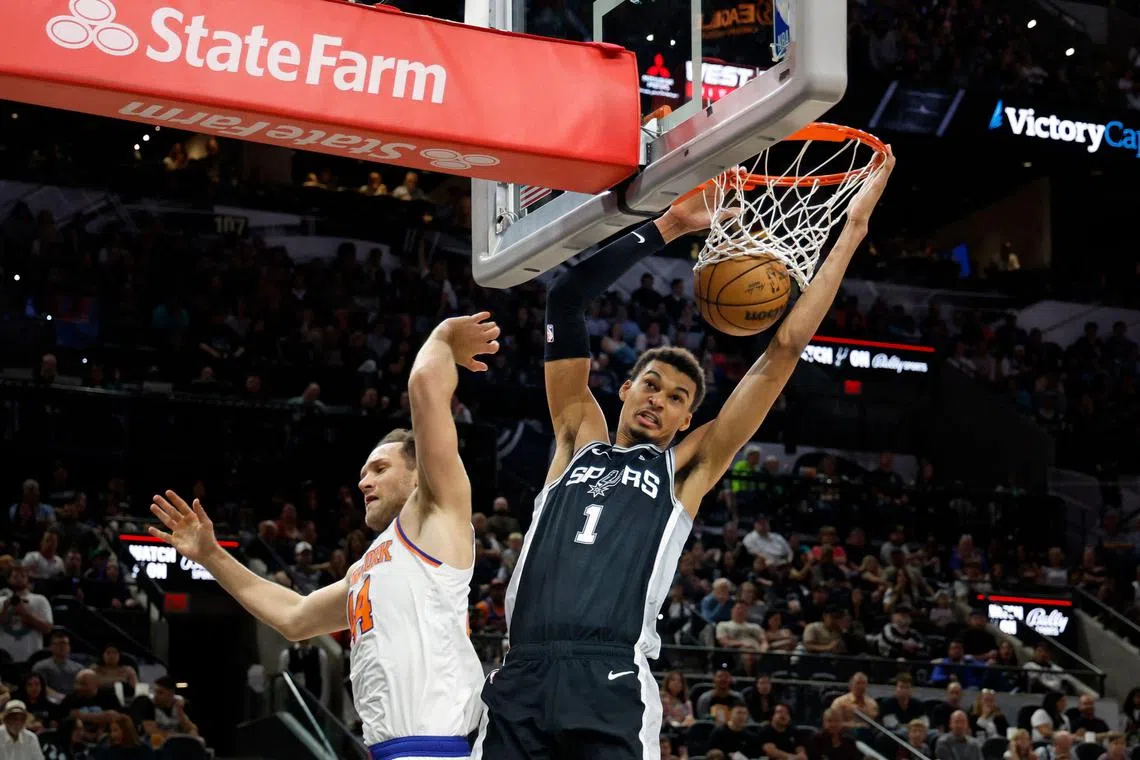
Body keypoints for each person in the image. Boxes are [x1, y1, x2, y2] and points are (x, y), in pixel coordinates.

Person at [473, 155, 896, 760]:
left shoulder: (682, 470)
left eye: (677, 399)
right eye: (651, 386)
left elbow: (783, 352)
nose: (659, 402)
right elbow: (565, 300)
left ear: (686, 421)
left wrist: (850, 232)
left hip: (611, 678)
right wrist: (668, 226)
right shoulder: (575, 437)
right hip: (522, 674)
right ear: (624, 389)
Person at [148, 313, 499, 760]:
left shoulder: (437, 519)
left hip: (439, 747)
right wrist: (212, 555)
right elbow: (294, 617)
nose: (364, 482)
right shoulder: (369, 566)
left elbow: (425, 384)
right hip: (389, 750)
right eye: (362, 473)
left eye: (380, 469)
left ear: (418, 477)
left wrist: (445, 336)